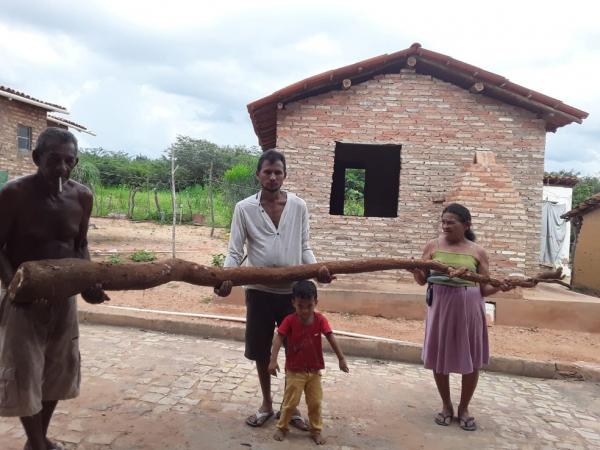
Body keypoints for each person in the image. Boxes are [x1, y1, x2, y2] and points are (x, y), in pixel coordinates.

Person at [0, 127, 106, 450]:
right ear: (36, 158)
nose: (61, 168)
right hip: (23, 302)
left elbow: (80, 245)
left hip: (65, 298)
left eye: (68, 161)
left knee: (57, 371)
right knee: (24, 372)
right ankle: (37, 443)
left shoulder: (82, 197)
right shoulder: (13, 194)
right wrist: (16, 287)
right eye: (53, 160)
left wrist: (89, 282)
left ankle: (37, 441)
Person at [214, 149, 334, 429]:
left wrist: (318, 271)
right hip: (258, 291)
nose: (272, 176)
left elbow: (304, 246)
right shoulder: (244, 208)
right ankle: (267, 403)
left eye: (277, 171)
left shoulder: (298, 206)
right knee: (261, 351)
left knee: (296, 351)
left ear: (285, 175)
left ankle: (290, 408)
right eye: (267, 171)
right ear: (258, 175)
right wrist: (225, 276)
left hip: (291, 295)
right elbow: (235, 250)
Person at [409, 203, 513, 432]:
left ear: (466, 225)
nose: (445, 226)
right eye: (443, 222)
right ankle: (446, 406)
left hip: (470, 308)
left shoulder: (477, 252)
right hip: (440, 308)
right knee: (439, 355)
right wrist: (414, 268)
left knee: (471, 358)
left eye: (451, 222)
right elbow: (422, 280)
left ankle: (464, 407)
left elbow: (484, 289)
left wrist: (500, 288)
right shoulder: (432, 246)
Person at [268, 280, 348, 445]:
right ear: (293, 303)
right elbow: (278, 338)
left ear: (316, 303)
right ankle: (282, 427)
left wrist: (341, 358)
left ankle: (315, 430)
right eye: (300, 306)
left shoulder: (321, 320)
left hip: (314, 371)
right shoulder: (289, 320)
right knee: (290, 403)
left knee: (315, 403)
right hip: (295, 371)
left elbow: (331, 336)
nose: (304, 310)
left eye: (309, 306)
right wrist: (273, 360)